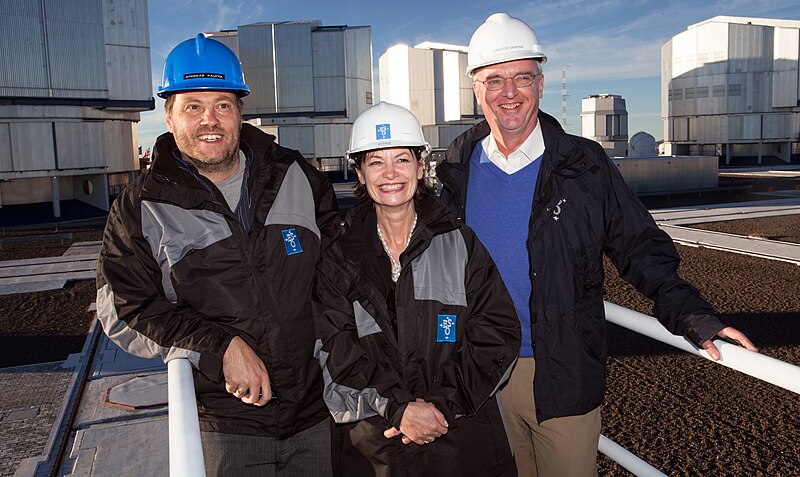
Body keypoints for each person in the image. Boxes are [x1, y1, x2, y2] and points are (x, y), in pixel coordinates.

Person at [435, 13, 758, 476]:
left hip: (562, 371)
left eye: (522, 77)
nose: (509, 93)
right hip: (478, 372)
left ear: (541, 83)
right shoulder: (457, 168)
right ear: (475, 89)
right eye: (495, 80)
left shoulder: (582, 165)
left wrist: (693, 315)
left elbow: (639, 246)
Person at [96, 34, 339, 476]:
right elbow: (124, 312)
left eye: (223, 104)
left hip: (316, 415)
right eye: (193, 106)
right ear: (168, 115)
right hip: (227, 428)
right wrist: (218, 346)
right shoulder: (141, 207)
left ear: (240, 111)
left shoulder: (295, 175)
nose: (210, 119)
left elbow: (342, 275)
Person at [313, 101, 521, 476]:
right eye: (376, 162)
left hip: (458, 438)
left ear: (420, 167)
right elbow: (335, 346)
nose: (390, 173)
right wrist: (400, 409)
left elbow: (496, 333)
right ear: (359, 173)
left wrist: (439, 406)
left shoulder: (459, 242)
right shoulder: (338, 256)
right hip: (376, 448)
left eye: (402, 160)